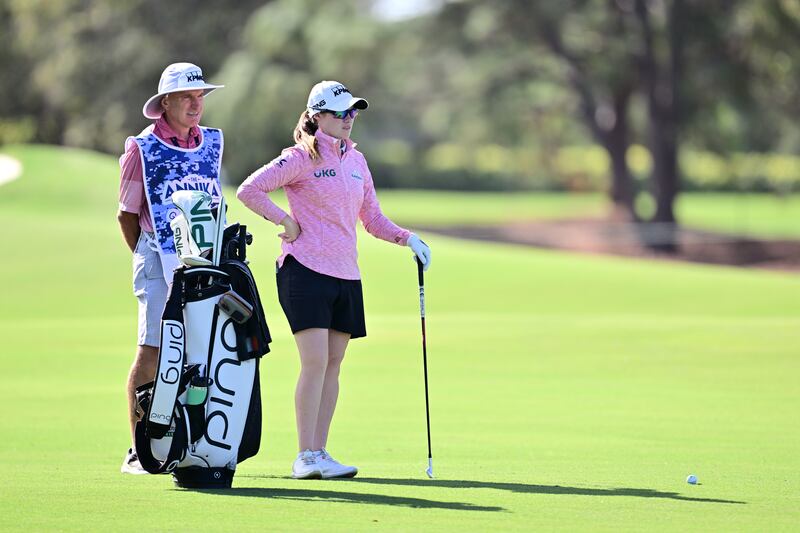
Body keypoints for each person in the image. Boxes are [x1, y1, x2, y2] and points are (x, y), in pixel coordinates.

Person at [237, 80, 431, 479]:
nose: (349, 119)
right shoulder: (299, 157)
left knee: (333, 365)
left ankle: (320, 452)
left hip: (346, 273)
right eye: (341, 113)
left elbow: (372, 219)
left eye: (353, 112)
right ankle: (303, 456)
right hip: (304, 270)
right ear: (317, 116)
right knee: (314, 361)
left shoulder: (357, 163)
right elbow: (249, 189)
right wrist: (285, 220)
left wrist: (407, 238)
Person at [117, 62, 224, 474]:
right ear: (165, 103)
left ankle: (187, 442)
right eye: (186, 96)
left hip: (199, 260)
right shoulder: (141, 148)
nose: (196, 103)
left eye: (199, 96)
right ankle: (138, 450)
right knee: (154, 346)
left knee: (198, 350)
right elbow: (127, 215)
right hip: (154, 254)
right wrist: (149, 255)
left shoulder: (210, 142)